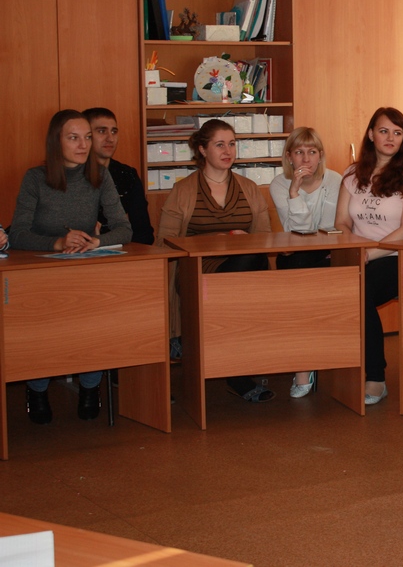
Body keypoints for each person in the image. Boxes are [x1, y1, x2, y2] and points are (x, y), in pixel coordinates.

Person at [9, 109, 134, 424]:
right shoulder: (35, 178)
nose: (83, 145)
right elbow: (18, 233)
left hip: (83, 269)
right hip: (40, 273)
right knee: (44, 330)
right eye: (74, 138)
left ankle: (90, 387)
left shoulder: (100, 176)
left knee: (94, 320)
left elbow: (124, 229)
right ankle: (37, 389)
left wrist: (96, 242)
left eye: (87, 137)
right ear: (57, 142)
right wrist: (57, 243)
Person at [156, 119, 274, 403]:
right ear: (202, 149)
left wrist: (243, 242)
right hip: (196, 272)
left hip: (242, 271)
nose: (228, 151)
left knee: (249, 263)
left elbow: (266, 238)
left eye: (232, 144)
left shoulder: (249, 188)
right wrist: (218, 239)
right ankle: (236, 376)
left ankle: (198, 345)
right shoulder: (183, 190)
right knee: (239, 285)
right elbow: (164, 243)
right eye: (219, 145)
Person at [335, 107, 403, 405]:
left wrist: (369, 253)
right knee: (317, 281)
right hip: (358, 254)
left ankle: (375, 378)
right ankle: (320, 365)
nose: (390, 138)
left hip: (397, 256)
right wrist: (356, 250)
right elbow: (341, 222)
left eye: (397, 133)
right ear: (371, 134)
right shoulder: (352, 174)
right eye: (384, 131)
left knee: (359, 291)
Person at [269, 127, 343, 398]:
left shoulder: (335, 180)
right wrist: (294, 192)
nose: (306, 159)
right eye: (299, 152)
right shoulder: (280, 184)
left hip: (327, 252)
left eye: (312, 152)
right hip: (297, 254)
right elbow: (298, 231)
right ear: (289, 157)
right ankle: (304, 364)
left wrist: (301, 210)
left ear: (320, 155)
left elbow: (327, 228)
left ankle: (311, 361)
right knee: (297, 288)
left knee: (307, 290)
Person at [84, 107, 155, 245]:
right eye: (101, 131)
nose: (110, 138)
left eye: (114, 131)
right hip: (81, 250)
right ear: (86, 135)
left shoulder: (127, 175)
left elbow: (143, 231)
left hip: (124, 249)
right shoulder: (73, 175)